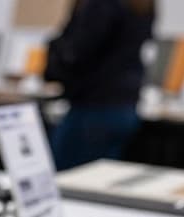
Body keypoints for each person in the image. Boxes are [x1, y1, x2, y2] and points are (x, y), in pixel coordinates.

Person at [46, 0, 155, 170]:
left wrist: (55, 56)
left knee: (64, 178)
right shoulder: (142, 5)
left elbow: (79, 52)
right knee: (94, 176)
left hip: (93, 107)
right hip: (124, 107)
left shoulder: (102, 4)